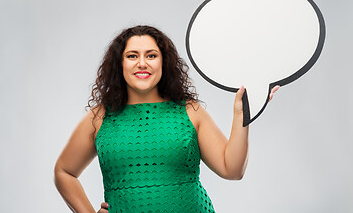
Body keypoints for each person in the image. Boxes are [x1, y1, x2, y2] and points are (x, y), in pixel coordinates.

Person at [54, 25, 279, 212]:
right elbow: (64, 172)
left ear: (164, 63)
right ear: (120, 64)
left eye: (151, 55)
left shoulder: (189, 111)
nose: (142, 63)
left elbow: (232, 169)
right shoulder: (99, 118)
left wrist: (242, 115)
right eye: (132, 56)